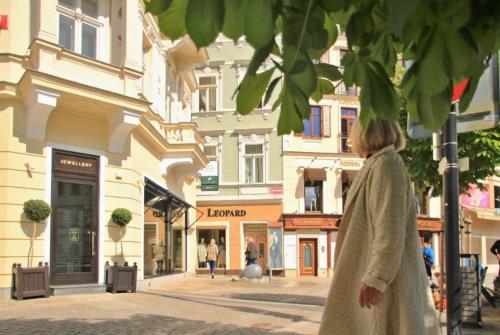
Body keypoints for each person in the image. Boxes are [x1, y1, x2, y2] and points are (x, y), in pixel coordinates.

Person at [319, 119, 441, 335]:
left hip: (388, 285)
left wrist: (376, 278)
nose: (350, 138)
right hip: (374, 277)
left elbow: (389, 226)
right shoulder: (379, 164)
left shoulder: (387, 164)